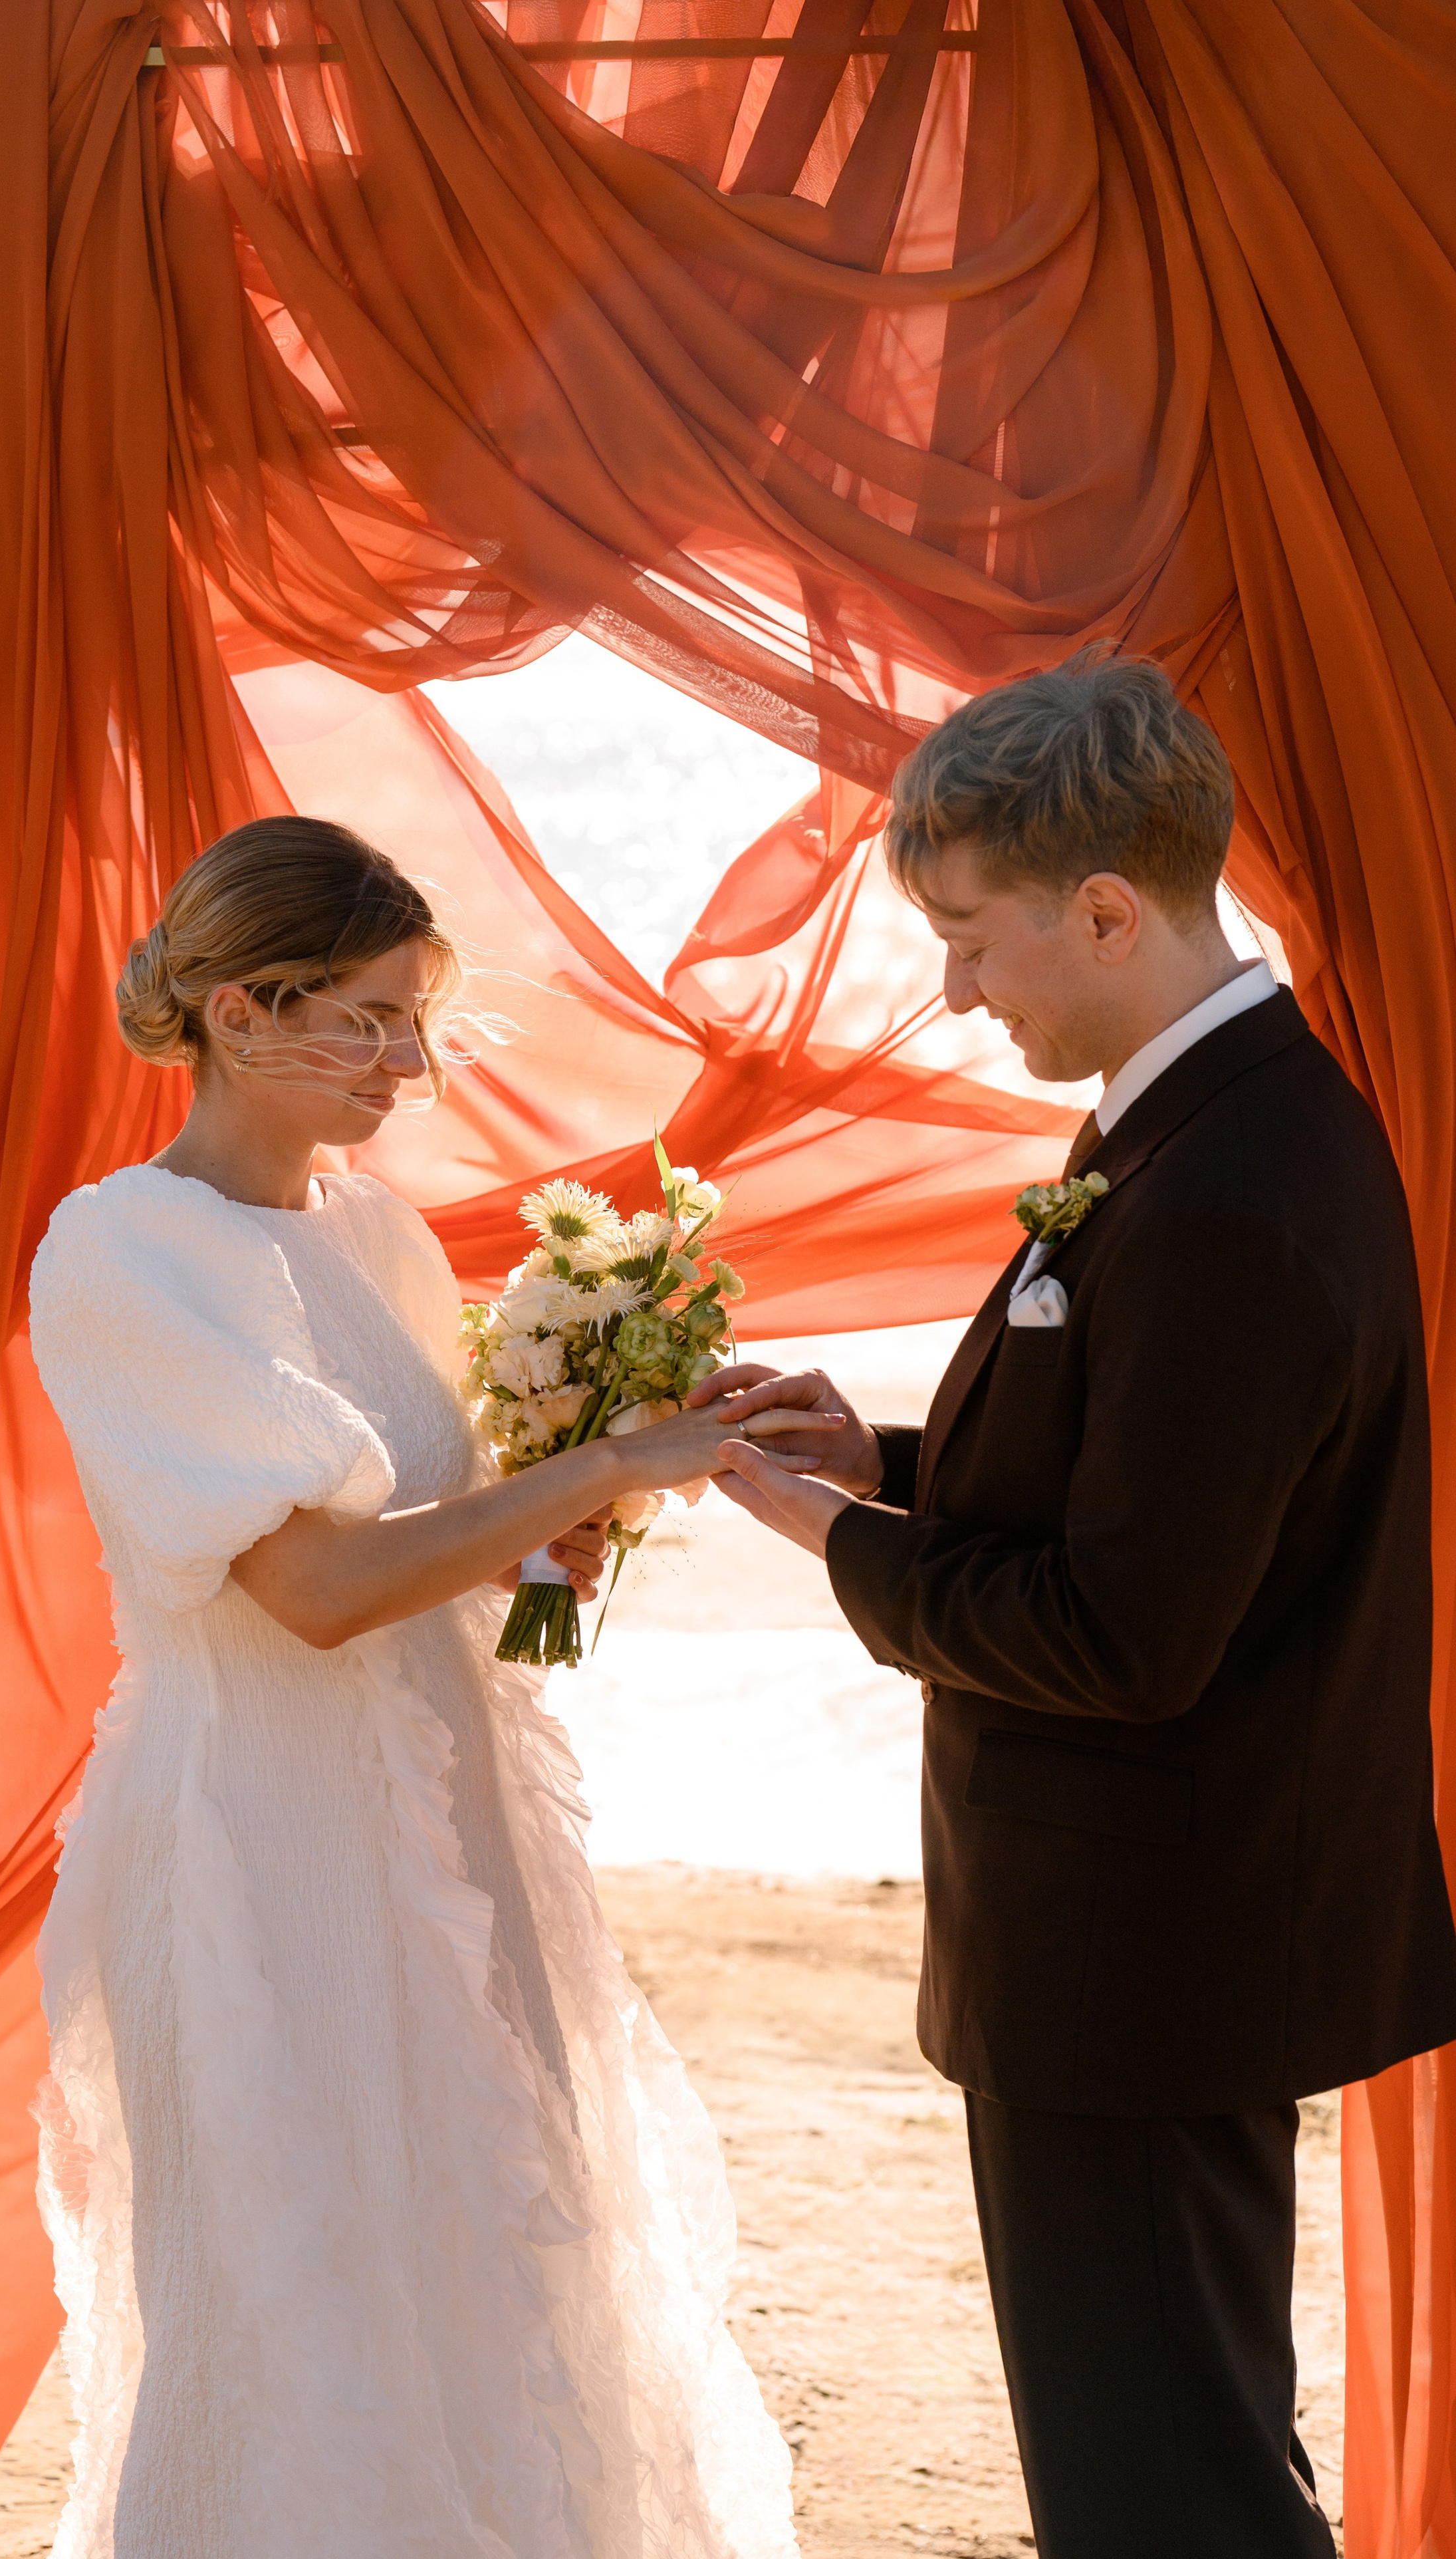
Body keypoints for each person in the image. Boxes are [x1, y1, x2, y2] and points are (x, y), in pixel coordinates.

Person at [692, 654, 1456, 2557]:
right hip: (1169, 1932)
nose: (956, 987)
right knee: (1177, 2455)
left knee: (1163, 2495)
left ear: (1107, 910)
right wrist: (881, 1454)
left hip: (1150, 1950)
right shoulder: (1211, 1114)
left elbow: (1126, 1635)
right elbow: (1158, 1493)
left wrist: (820, 1536)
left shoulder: (1227, 1190)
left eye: (968, 935)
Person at [27, 816, 801, 2559]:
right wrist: (596, 1470)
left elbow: (438, 1542)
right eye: (370, 1022)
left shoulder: (374, 1236)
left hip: (448, 1825)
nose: (413, 1064)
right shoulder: (119, 1253)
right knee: (306, 2291)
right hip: (257, 1846)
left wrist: (554, 1551)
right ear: (238, 1011)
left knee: (494, 2251)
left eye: (417, 1022)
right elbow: (313, 1588)